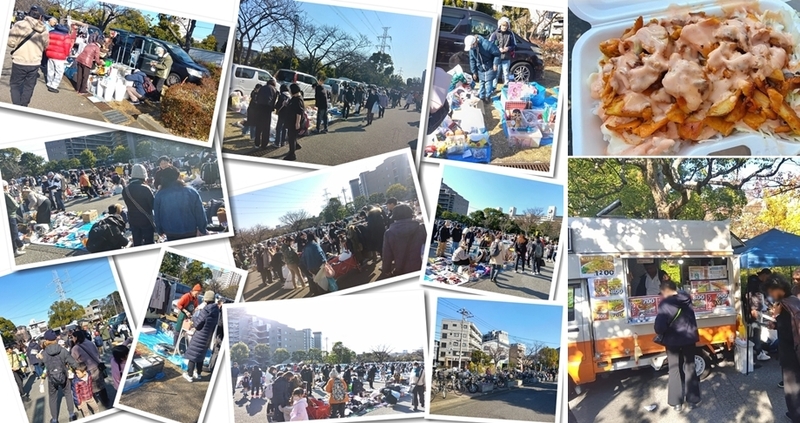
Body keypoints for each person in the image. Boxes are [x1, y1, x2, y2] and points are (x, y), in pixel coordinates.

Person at [654, 280, 700, 411]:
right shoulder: (686, 298)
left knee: (674, 368)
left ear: (665, 290)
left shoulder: (665, 303)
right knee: (690, 367)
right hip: (689, 338)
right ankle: (693, 400)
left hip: (673, 340)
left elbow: (660, 327)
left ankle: (676, 403)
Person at [767, 274, 800, 421]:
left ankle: (795, 415)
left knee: (792, 387)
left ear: (779, 289)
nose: (770, 294)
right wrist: (776, 321)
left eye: (770, 291)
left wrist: (776, 318)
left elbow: (787, 331)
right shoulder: (794, 300)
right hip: (796, 348)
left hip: (790, 351)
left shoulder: (785, 306)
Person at [8, 6, 49, 106]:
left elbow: (11, 43)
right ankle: (24, 105)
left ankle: (17, 105)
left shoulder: (19, 25)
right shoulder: (44, 30)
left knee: (15, 84)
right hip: (35, 62)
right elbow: (45, 46)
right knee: (29, 86)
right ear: (40, 17)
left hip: (19, 60)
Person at [153, 166, 208, 240]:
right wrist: (202, 229)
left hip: (170, 232)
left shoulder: (159, 194)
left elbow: (157, 215)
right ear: (178, 176)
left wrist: (160, 230)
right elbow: (200, 212)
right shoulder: (191, 191)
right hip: (190, 230)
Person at [41, 330, 80, 422]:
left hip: (51, 378)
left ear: (46, 340)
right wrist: (78, 370)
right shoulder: (63, 350)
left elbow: (41, 365)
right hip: (63, 375)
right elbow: (73, 363)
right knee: (67, 393)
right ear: (56, 338)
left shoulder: (44, 353)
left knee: (52, 398)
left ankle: (54, 419)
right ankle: (71, 415)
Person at [183, 291, 220, 382]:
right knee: (201, 356)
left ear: (206, 300)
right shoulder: (216, 310)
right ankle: (199, 374)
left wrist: (196, 315)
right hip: (207, 337)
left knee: (193, 356)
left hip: (199, 336)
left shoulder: (206, 310)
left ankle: (190, 375)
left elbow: (198, 324)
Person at [381, 204, 426, 277]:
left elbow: (387, 255)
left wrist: (386, 269)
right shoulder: (421, 228)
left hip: (400, 267)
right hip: (419, 266)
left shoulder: (389, 233)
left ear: (394, 217)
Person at [71, 329, 110, 407]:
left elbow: (74, 360)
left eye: (73, 337)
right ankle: (106, 401)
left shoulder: (75, 348)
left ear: (76, 337)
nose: (72, 339)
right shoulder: (90, 343)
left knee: (89, 386)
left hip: (86, 369)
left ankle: (95, 403)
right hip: (96, 366)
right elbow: (97, 353)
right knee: (100, 385)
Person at [122, 164, 155, 246]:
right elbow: (152, 205)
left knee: (137, 241)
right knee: (149, 241)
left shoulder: (125, 189)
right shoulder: (145, 188)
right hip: (145, 219)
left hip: (132, 219)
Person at [465, 34, 501, 103]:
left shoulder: (486, 44)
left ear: (475, 42)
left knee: (488, 82)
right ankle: (481, 97)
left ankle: (488, 96)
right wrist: (474, 72)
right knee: (481, 82)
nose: (471, 48)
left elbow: (497, 53)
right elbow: (472, 60)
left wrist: (495, 63)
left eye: (471, 46)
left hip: (489, 65)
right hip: (480, 67)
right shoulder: (472, 50)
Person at [45, 21, 73, 93]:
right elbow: (67, 47)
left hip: (50, 54)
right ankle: (54, 85)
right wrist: (67, 55)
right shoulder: (66, 36)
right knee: (59, 72)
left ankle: (49, 82)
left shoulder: (51, 32)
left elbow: (46, 42)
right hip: (60, 56)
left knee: (50, 69)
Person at [488, 17, 516, 89]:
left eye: (506, 26)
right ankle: (493, 87)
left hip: (506, 57)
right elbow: (490, 44)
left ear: (508, 26)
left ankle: (506, 87)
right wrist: (498, 48)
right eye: (503, 25)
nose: (504, 27)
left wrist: (508, 48)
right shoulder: (495, 34)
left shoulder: (510, 34)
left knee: (506, 73)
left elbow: (514, 45)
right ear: (500, 25)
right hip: (497, 58)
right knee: (496, 73)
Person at [283, 83, 305, 161]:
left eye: (290, 90)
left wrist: (297, 123)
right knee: (292, 136)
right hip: (291, 121)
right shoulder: (294, 98)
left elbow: (299, 112)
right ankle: (296, 145)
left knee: (291, 137)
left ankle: (292, 154)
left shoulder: (298, 99)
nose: (289, 91)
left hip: (294, 122)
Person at [4, 181, 26, 257]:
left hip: (5, 215)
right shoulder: (5, 194)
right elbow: (15, 205)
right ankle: (15, 250)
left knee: (10, 233)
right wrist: (19, 202)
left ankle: (20, 245)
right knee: (14, 233)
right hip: (10, 215)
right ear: (5, 187)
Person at [256, 79, 278, 148]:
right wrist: (272, 109)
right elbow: (273, 101)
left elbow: (257, 98)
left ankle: (257, 143)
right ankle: (264, 144)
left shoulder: (262, 88)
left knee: (258, 126)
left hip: (259, 108)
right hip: (267, 110)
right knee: (266, 127)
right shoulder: (274, 90)